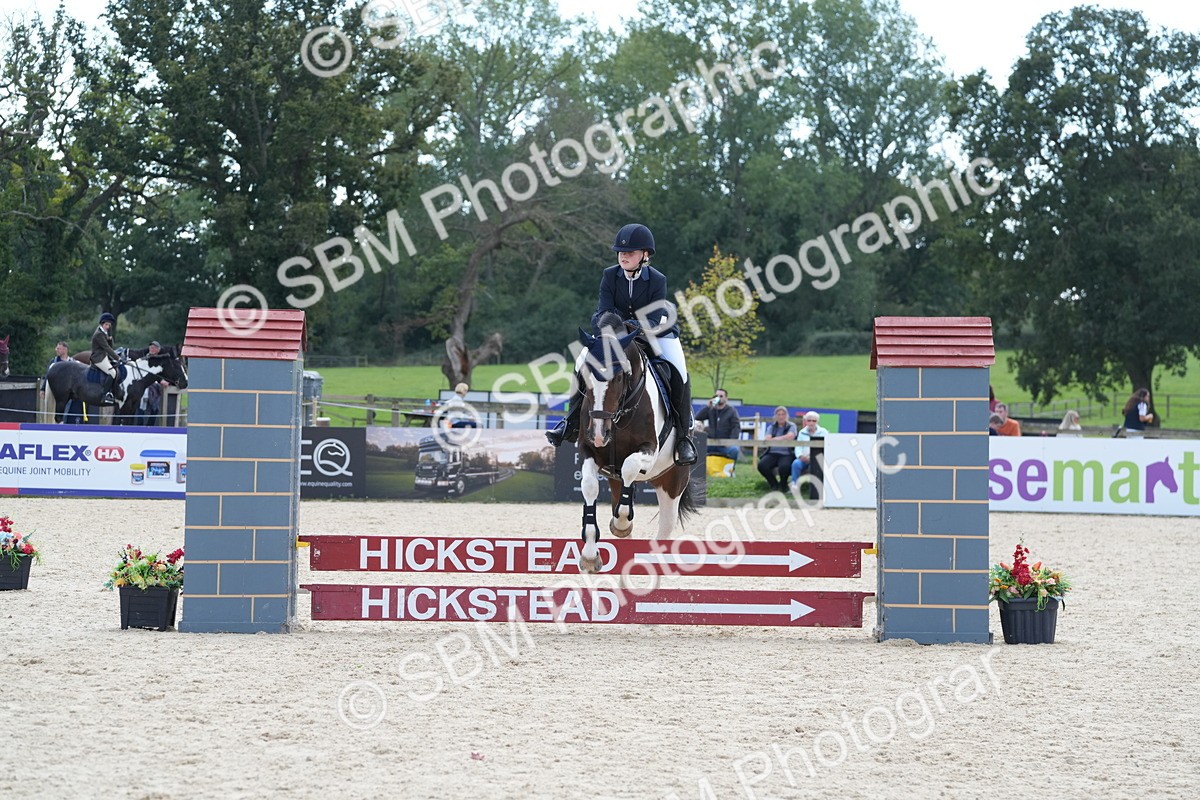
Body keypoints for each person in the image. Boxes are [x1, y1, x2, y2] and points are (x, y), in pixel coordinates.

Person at [545, 223, 697, 466]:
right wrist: (609, 328)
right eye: (621, 252)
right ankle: (570, 422)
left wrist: (620, 326)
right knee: (582, 362)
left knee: (678, 370)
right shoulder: (609, 275)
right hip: (613, 337)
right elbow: (601, 312)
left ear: (645, 255)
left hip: (656, 334)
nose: (624, 256)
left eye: (631, 252)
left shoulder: (658, 280)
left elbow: (654, 319)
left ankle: (682, 436)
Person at [756, 406, 797, 491]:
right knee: (762, 465)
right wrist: (781, 438)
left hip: (786, 453)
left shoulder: (791, 426)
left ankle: (783, 484)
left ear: (787, 416)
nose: (781, 416)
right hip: (772, 452)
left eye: (783, 414)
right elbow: (767, 439)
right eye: (779, 414)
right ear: (775, 416)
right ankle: (773, 484)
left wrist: (775, 439)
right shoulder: (772, 427)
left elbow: (790, 436)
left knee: (785, 467)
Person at [694, 388, 741, 461]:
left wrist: (731, 442)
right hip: (711, 442)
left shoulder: (731, 411)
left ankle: (730, 470)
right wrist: (708, 406)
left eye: (721, 396)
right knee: (698, 448)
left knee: (734, 450)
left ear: (726, 398)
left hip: (725, 444)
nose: (718, 398)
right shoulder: (711, 410)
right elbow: (698, 417)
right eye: (716, 396)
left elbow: (736, 427)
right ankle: (701, 470)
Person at [789, 411, 829, 491]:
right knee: (795, 464)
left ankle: (814, 488)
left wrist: (813, 458)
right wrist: (800, 456)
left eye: (814, 421)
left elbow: (827, 447)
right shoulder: (802, 432)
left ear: (817, 422)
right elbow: (798, 447)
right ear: (806, 421)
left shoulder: (823, 432)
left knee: (814, 467)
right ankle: (794, 486)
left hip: (817, 458)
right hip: (803, 458)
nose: (811, 423)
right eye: (809, 420)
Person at [90, 312, 121, 405]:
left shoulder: (104, 332)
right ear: (102, 324)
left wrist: (110, 338)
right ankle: (105, 395)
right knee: (112, 372)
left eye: (109, 325)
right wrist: (118, 358)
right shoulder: (99, 334)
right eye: (106, 324)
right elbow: (107, 348)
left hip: (104, 356)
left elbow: (110, 346)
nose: (108, 326)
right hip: (98, 358)